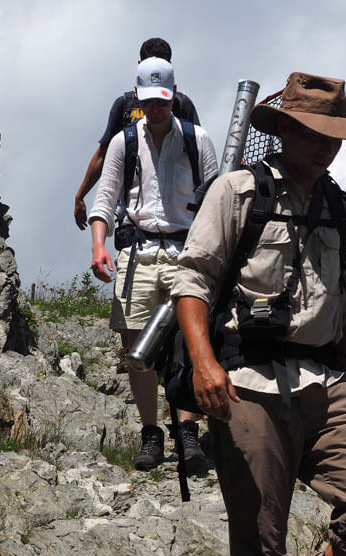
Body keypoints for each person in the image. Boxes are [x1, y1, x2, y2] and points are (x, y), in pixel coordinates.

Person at [172, 72, 346, 556]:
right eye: (314, 134)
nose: (326, 148)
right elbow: (193, 280)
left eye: (334, 137)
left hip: (328, 381)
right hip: (245, 381)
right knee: (260, 554)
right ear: (285, 131)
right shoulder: (239, 191)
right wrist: (205, 364)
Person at [88, 57, 217, 471]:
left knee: (189, 343)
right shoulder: (124, 142)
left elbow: (218, 203)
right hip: (137, 253)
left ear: (174, 95)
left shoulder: (199, 140)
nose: (157, 108)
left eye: (163, 101)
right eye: (149, 102)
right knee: (136, 348)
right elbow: (105, 197)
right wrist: (98, 245)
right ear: (139, 99)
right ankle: (151, 434)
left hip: (188, 254)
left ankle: (188, 431)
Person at [74, 37, 200, 230]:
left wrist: (80, 195)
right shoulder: (128, 105)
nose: (155, 108)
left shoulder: (180, 105)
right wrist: (80, 195)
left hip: (174, 204)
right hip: (137, 201)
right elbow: (105, 153)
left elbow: (197, 154)